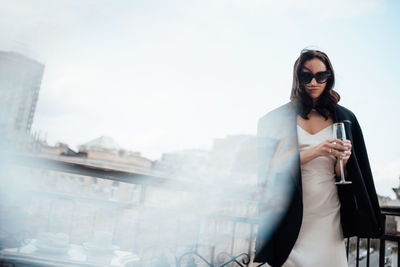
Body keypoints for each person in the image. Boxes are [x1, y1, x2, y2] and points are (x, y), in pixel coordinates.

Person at [254, 49, 383, 267]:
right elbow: (269, 167)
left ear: (329, 77)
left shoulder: (346, 118)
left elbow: (341, 175)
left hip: (328, 215)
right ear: (297, 78)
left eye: (320, 76)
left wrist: (344, 160)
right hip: (289, 216)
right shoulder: (274, 120)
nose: (314, 82)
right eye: (306, 76)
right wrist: (317, 150)